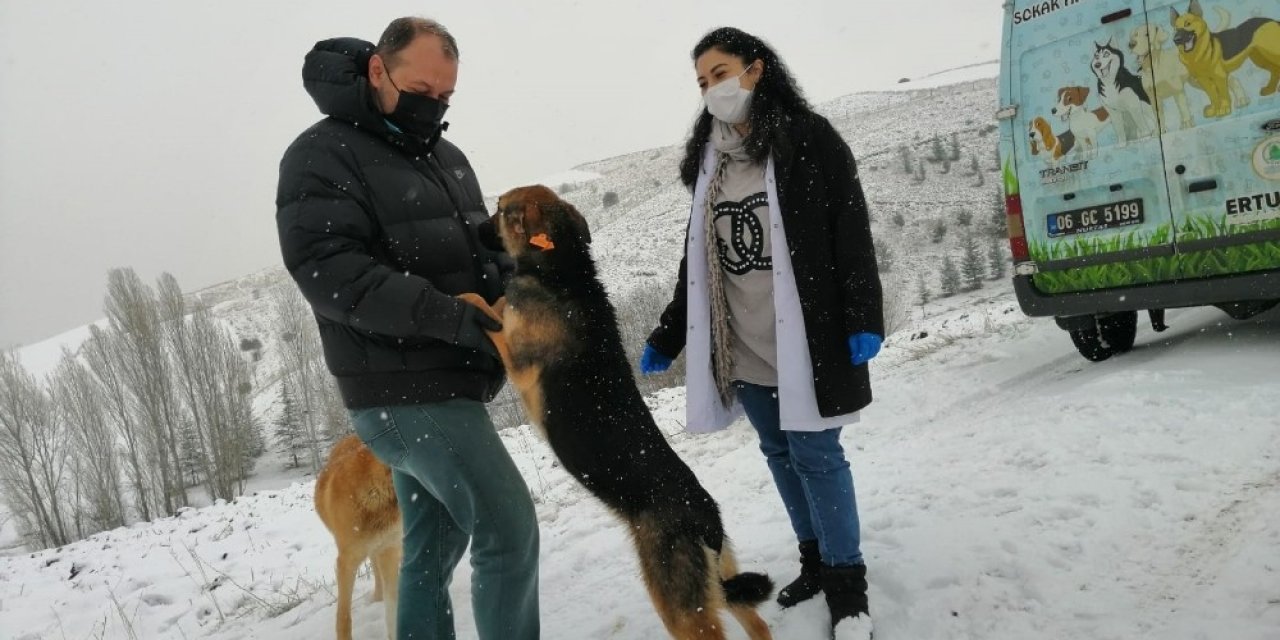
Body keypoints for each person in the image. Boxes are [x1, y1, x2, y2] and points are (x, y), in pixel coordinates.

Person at [275, 17, 539, 640]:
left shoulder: (446, 157)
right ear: (377, 69)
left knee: (431, 548)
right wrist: (453, 316)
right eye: (420, 90)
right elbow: (331, 273)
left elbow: (485, 249)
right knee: (508, 528)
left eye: (445, 96)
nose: (433, 106)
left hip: (451, 381)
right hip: (401, 390)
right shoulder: (321, 154)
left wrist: (520, 287)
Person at [641, 26, 884, 638]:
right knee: (779, 453)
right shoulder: (709, 161)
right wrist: (669, 334)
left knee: (817, 456)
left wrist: (863, 315)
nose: (711, 89)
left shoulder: (809, 140)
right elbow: (697, 261)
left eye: (720, 73)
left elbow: (849, 230)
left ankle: (848, 587)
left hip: (807, 339)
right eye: (702, 81)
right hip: (743, 345)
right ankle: (815, 561)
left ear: (755, 69)